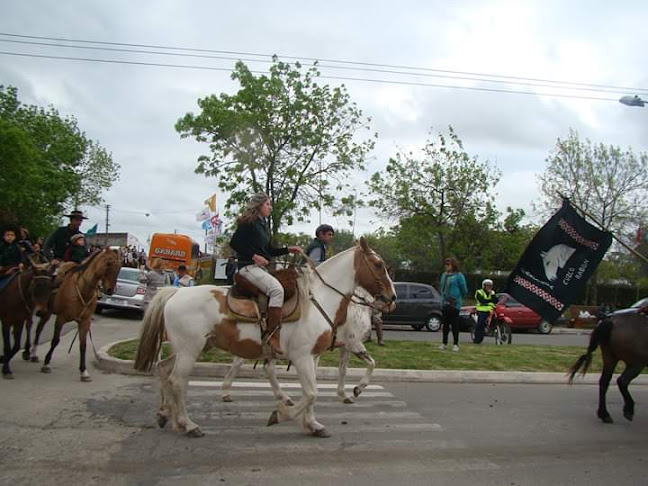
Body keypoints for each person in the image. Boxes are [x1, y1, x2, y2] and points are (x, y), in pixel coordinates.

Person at [229, 192, 302, 354]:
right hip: (247, 267)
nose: (270, 207)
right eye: (268, 204)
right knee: (277, 290)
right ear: (259, 205)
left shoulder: (263, 225)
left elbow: (268, 250)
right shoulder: (248, 223)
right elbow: (234, 243)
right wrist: (253, 256)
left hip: (258, 268)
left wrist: (288, 249)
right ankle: (273, 335)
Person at [439, 257, 468, 352]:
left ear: (453, 265)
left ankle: (455, 344)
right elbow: (441, 287)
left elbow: (464, 289)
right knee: (445, 324)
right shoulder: (444, 275)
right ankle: (444, 343)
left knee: (454, 324)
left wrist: (458, 298)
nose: (447, 266)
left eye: (449, 264)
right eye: (446, 264)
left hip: (454, 303)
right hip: (445, 302)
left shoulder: (459, 276)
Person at [473, 278, 497, 344]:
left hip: (490, 310)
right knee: (480, 323)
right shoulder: (479, 292)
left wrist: (492, 295)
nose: (488, 287)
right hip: (481, 309)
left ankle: (493, 330)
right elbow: (482, 300)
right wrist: (490, 301)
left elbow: (495, 300)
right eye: (487, 285)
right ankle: (477, 339)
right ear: (484, 286)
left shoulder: (492, 292)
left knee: (496, 319)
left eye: (490, 286)